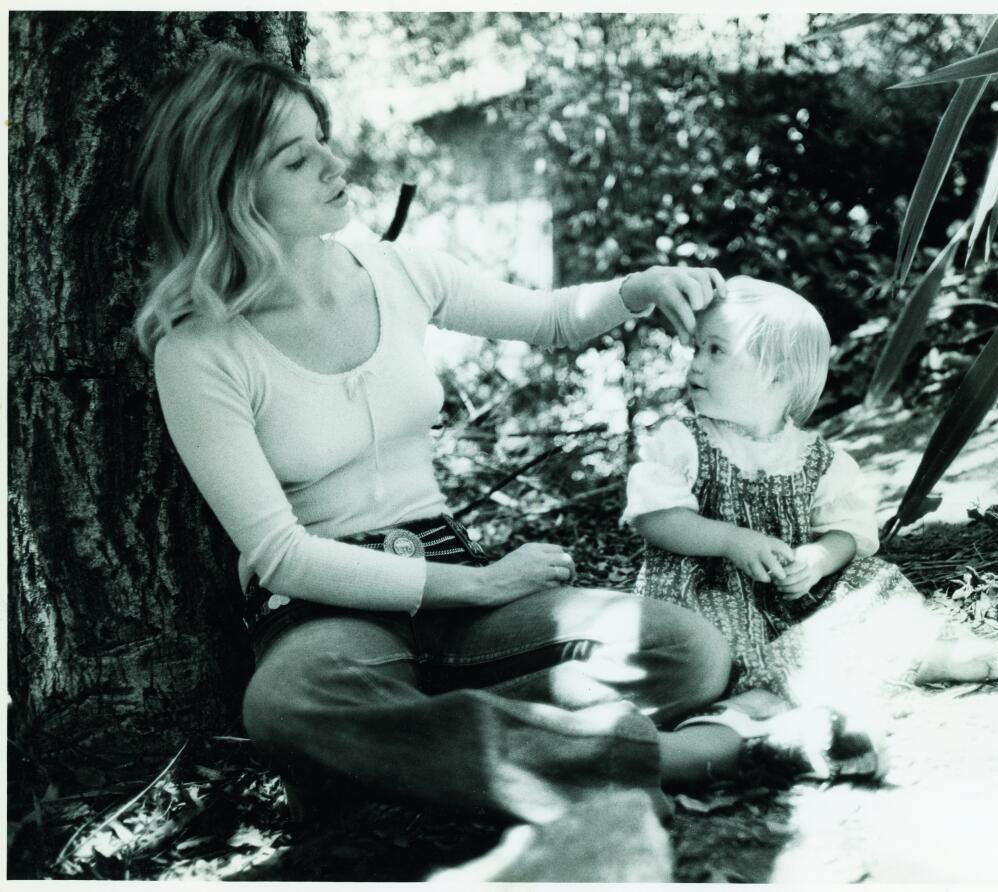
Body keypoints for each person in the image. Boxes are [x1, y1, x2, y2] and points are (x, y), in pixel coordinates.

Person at [132, 50, 862, 827]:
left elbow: (548, 319)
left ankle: (434, 744)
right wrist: (481, 585)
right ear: (232, 190)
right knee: (289, 708)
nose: (332, 163)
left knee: (685, 650)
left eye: (323, 137)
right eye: (296, 156)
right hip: (327, 614)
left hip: (456, 593)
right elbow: (280, 554)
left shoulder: (399, 271)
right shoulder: (200, 351)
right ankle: (692, 753)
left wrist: (641, 290)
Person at [622, 276, 998, 750]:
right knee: (716, 637)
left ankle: (910, 652)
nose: (695, 364)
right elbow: (653, 518)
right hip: (706, 588)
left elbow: (849, 530)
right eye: (697, 348)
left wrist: (819, 558)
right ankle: (752, 699)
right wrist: (731, 541)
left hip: (793, 596)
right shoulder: (681, 442)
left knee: (869, 579)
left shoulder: (816, 458)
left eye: (715, 350)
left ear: (776, 376)